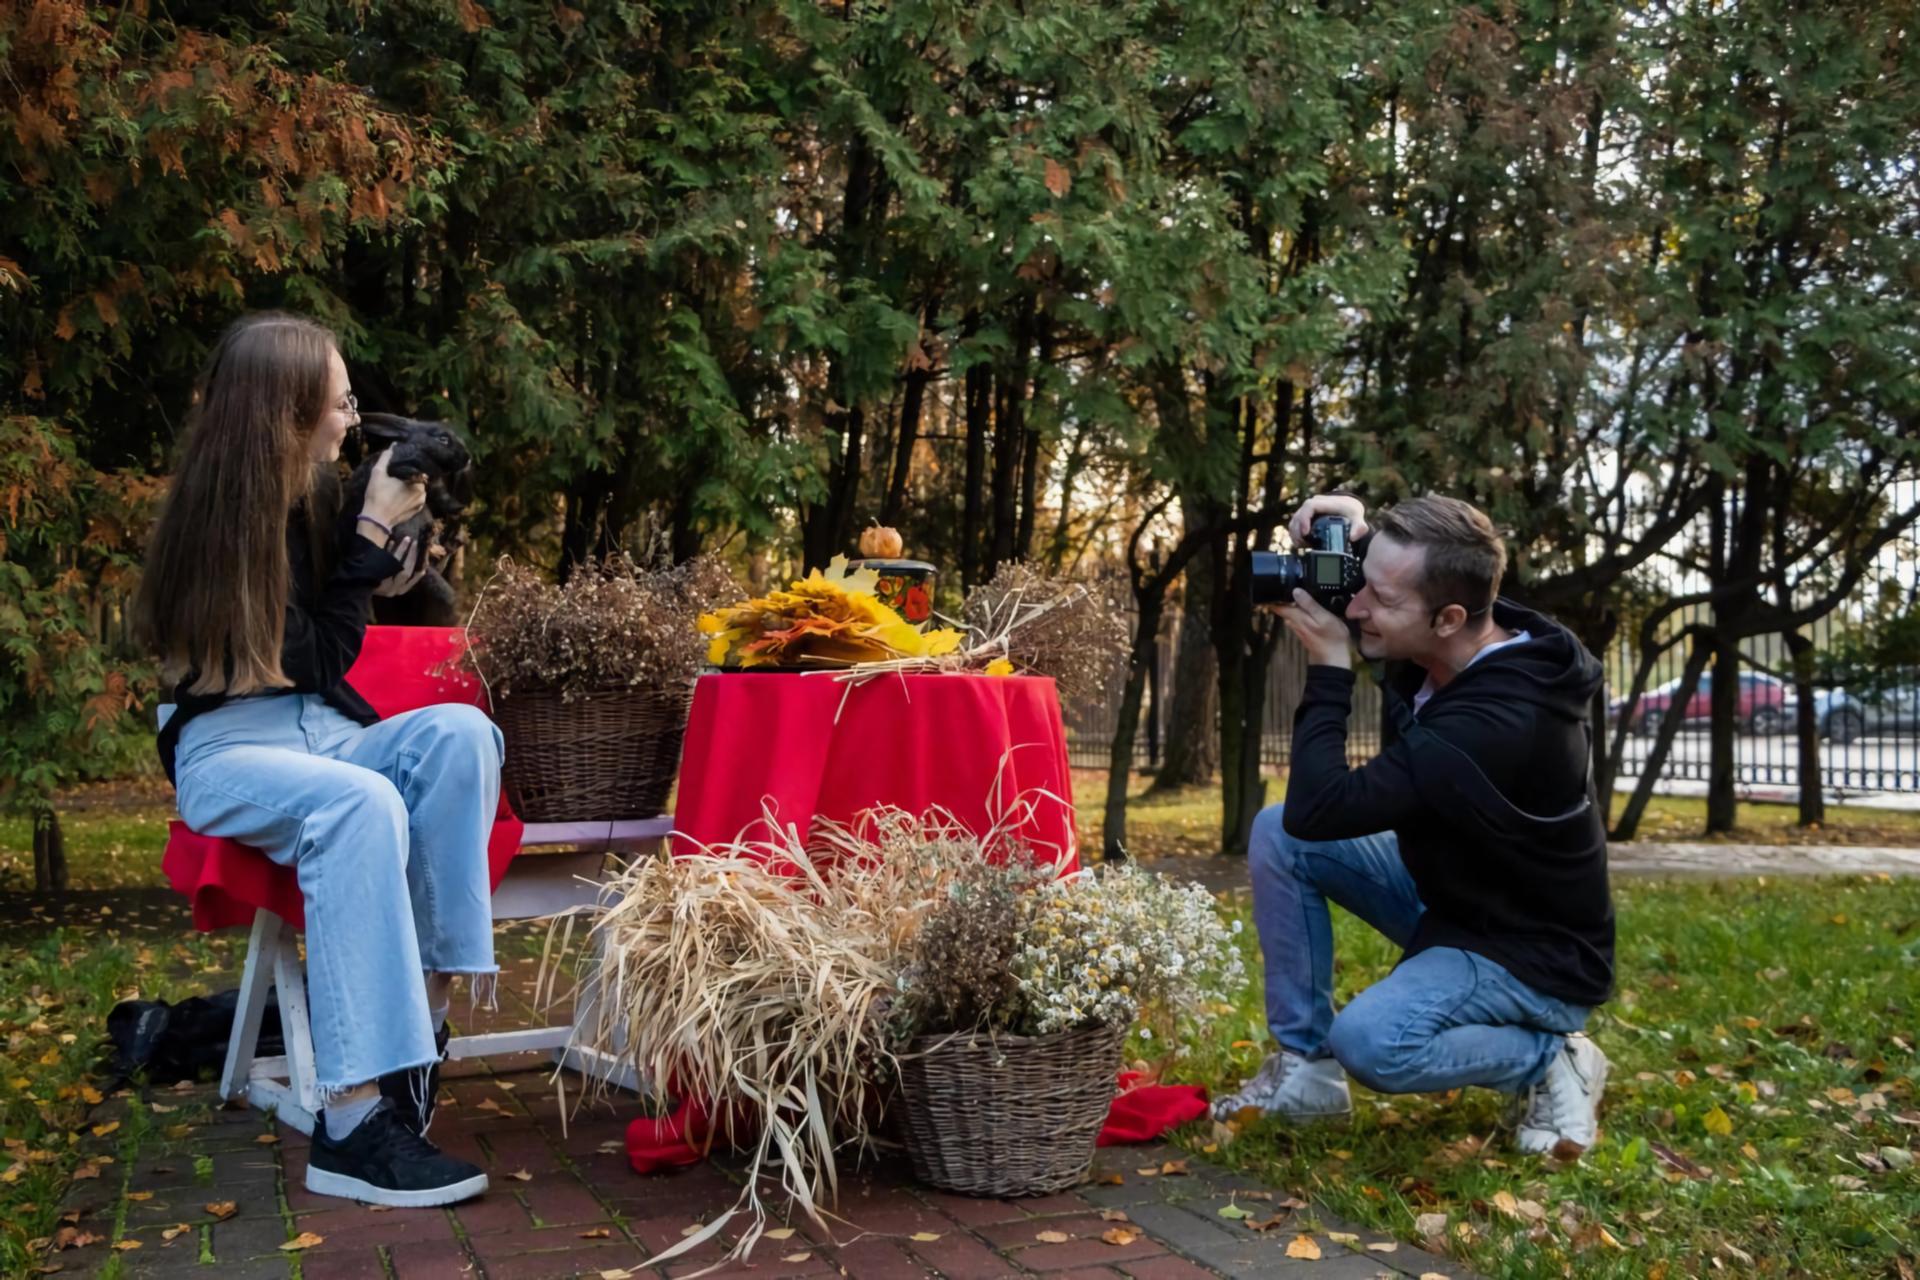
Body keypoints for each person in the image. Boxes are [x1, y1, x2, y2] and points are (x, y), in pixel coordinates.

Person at [136, 312, 502, 1206]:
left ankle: (424, 1029)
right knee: (358, 803)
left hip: (324, 730)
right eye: (337, 404)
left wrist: (400, 534)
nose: (349, 420)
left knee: (461, 737)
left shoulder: (318, 499)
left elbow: (374, 615)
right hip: (228, 749)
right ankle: (349, 1120)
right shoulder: (214, 525)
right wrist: (367, 546)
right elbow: (316, 653)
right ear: (287, 412)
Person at [1215, 493, 1615, 1157]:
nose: (1356, 607)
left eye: (1378, 597)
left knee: (1373, 1042)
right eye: (1360, 582)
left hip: (1530, 954)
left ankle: (1548, 1058)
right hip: (1455, 900)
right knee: (1277, 832)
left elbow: (1324, 810)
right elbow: (1442, 566)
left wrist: (1330, 666)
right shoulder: (1457, 637)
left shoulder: (1496, 724)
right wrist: (1353, 524)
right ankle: (1306, 1073)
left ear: (1449, 618)